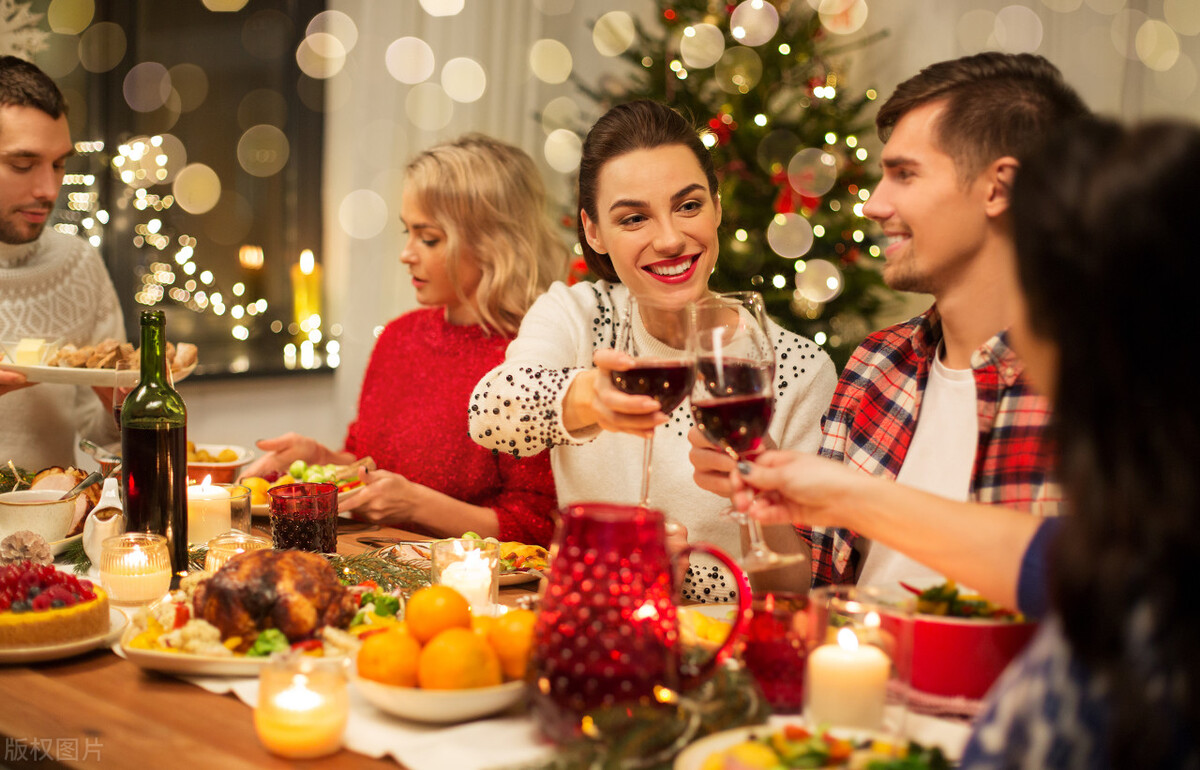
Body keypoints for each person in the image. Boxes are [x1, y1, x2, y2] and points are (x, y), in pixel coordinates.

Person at [738, 116, 1200, 768]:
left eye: (1037, 278)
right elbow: (1062, 562)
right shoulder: (1143, 550)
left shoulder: (1113, 657)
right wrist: (841, 496)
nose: (874, 203)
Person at [468, 100, 836, 602]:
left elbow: (800, 587)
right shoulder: (580, 314)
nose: (669, 239)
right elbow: (490, 412)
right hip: (598, 626)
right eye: (634, 218)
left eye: (688, 206)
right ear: (593, 231)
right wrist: (593, 399)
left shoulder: (799, 370)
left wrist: (688, 573)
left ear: (718, 207)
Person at [782, 52, 1087, 589]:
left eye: (904, 175)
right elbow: (819, 586)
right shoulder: (876, 364)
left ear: (1000, 189)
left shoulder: (1101, 388)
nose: (874, 205)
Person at [243, 134, 564, 546]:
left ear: (490, 243)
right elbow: (370, 464)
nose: (406, 253)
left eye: (428, 238)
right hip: (373, 572)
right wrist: (322, 460)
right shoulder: (399, 337)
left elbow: (538, 527)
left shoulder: (531, 359)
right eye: (407, 232)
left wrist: (416, 505)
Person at [0, 55, 124, 470]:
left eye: (59, 164)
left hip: (51, 528)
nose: (49, 189)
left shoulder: (79, 265)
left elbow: (103, 443)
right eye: (23, 164)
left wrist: (119, 409)